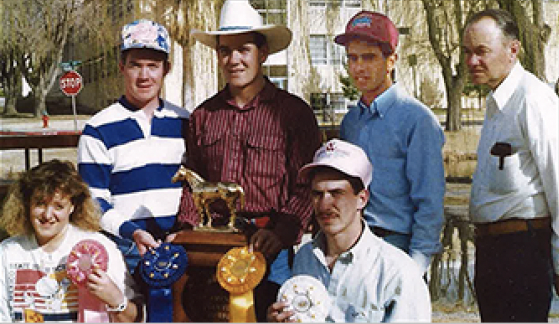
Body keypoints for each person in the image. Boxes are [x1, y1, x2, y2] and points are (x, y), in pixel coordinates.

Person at [181, 0, 321, 320]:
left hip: (271, 245)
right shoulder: (203, 116)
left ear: (263, 54)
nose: (234, 60)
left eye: (243, 50)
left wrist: (282, 232)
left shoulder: (293, 114)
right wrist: (186, 232)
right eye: (225, 51)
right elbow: (194, 180)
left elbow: (304, 185)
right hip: (213, 247)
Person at [267, 139, 431, 322]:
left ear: (362, 199)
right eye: (317, 194)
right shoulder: (305, 259)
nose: (324, 204)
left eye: (336, 193)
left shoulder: (397, 272)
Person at [463, 9, 559, 322]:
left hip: (524, 253)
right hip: (492, 252)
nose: (472, 61)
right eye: (467, 52)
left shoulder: (532, 100)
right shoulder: (496, 103)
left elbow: (558, 182)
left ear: (513, 50)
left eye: (481, 52)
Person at [334, 11, 445, 274]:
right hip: (354, 246)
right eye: (353, 58)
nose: (359, 67)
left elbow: (429, 199)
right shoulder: (351, 122)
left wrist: (416, 267)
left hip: (398, 247)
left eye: (369, 57)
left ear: (391, 61)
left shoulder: (417, 119)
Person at [77, 19, 189, 273]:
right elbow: (92, 200)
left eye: (153, 66)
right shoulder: (98, 129)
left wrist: (185, 232)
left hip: (179, 245)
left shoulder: (186, 122)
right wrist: (132, 231)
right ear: (122, 68)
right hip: (125, 249)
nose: (144, 75)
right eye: (135, 65)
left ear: (166, 69)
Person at [0, 160, 143, 322]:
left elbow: (135, 318)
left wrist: (116, 299)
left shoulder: (100, 249)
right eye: (40, 204)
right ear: (27, 204)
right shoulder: (7, 252)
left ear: (73, 206)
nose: (47, 215)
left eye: (58, 206)